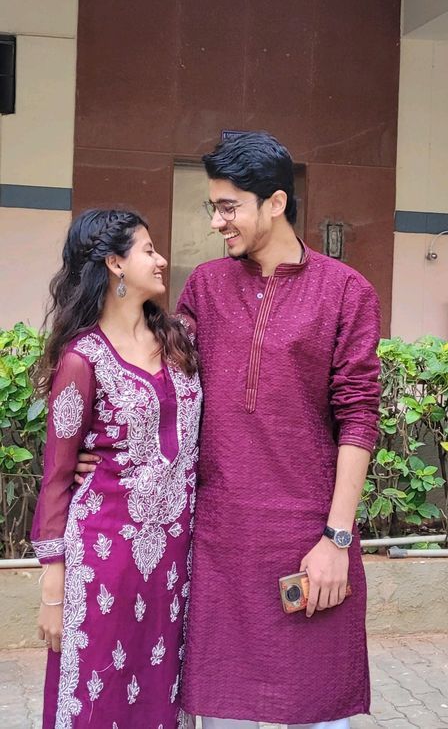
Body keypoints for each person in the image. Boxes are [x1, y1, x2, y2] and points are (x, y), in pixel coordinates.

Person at [77, 132, 381, 729]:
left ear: (274, 203)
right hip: (215, 546)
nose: (217, 221)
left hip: (307, 543)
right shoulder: (207, 288)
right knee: (221, 714)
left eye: (229, 206)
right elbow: (158, 381)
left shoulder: (347, 293)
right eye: (212, 206)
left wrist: (336, 539)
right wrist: (104, 453)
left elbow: (359, 417)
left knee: (314, 712)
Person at [31, 209, 201, 729]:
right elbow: (58, 479)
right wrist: (53, 596)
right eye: (148, 249)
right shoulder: (83, 360)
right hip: (102, 563)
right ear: (115, 264)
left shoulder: (182, 342)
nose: (162, 259)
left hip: (174, 563)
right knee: (95, 695)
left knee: (159, 697)